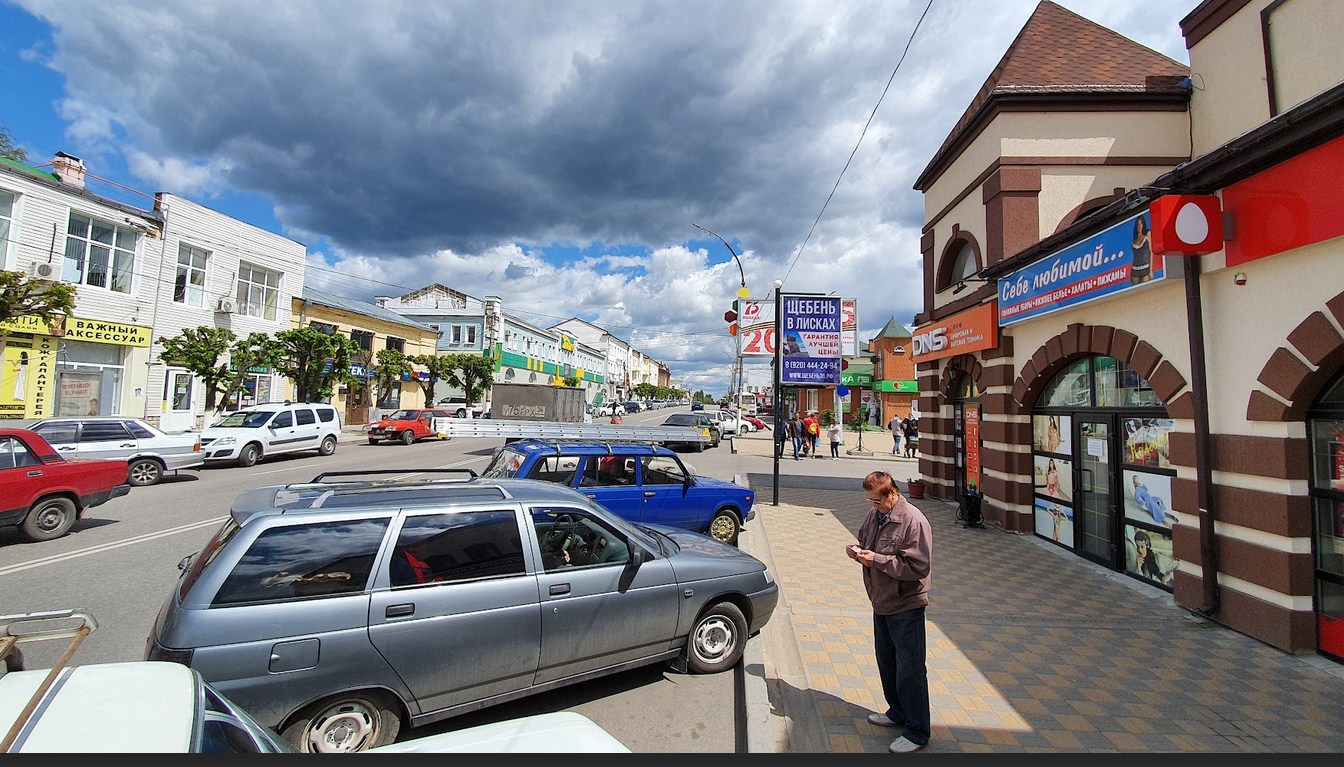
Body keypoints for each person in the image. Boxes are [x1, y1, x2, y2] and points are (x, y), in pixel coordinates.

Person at [846, 471, 932, 753]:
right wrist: (858, 551)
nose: (873, 507)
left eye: (877, 502)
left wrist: (878, 560)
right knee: (887, 661)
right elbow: (865, 539)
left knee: (911, 669)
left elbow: (918, 568)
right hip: (881, 601)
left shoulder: (914, 521)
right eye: (870, 502)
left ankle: (918, 731)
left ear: (892, 494)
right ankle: (897, 712)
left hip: (905, 604)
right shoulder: (875, 515)